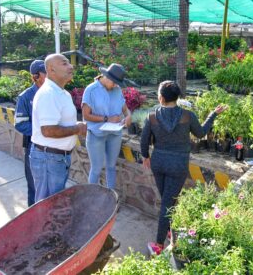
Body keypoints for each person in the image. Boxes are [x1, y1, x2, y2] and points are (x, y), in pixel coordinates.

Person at [140, 81, 227, 255]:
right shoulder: (187, 116)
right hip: (178, 165)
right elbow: (201, 133)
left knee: (167, 201)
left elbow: (144, 141)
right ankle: (163, 239)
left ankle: (160, 242)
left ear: (161, 98)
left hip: (158, 163)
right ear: (177, 97)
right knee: (168, 201)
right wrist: (212, 115)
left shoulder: (152, 116)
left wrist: (145, 157)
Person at [29, 54, 87, 202]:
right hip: (48, 159)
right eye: (64, 63)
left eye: (69, 63)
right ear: (51, 69)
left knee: (53, 204)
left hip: (57, 158)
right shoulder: (48, 94)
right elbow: (48, 130)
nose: (71, 66)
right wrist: (77, 128)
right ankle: (43, 226)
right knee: (47, 205)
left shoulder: (62, 93)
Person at [82, 63, 131, 189]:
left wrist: (128, 116)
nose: (116, 85)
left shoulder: (117, 89)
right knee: (96, 169)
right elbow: (86, 115)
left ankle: (111, 199)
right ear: (106, 77)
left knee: (111, 167)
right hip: (96, 135)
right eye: (114, 82)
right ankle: (92, 200)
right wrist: (107, 119)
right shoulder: (91, 90)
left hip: (114, 134)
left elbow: (125, 109)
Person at [14, 60, 46, 206]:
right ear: (36, 76)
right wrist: (44, 131)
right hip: (34, 148)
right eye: (47, 73)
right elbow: (20, 124)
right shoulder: (25, 97)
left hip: (53, 148)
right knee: (34, 186)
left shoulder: (53, 93)